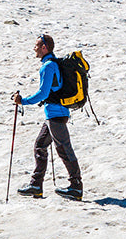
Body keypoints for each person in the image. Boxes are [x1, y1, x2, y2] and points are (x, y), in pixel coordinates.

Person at [13, 34, 82, 200]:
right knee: (40, 145)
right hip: (56, 114)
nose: (34, 48)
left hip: (55, 115)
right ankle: (36, 185)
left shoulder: (48, 67)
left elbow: (43, 93)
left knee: (64, 149)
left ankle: (76, 187)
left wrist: (23, 101)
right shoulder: (53, 64)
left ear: (45, 47)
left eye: (37, 45)